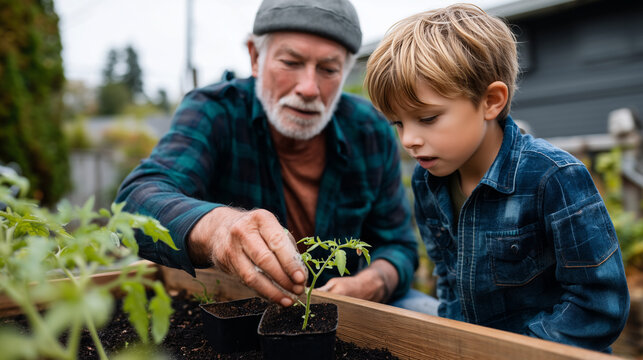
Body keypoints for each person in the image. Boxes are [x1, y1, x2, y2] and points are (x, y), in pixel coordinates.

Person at [116, 0, 423, 311]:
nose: (308, 88)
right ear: (255, 56)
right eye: (290, 62)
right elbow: (135, 201)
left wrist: (375, 282)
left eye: (328, 69)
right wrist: (218, 229)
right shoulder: (215, 112)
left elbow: (399, 243)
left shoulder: (370, 130)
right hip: (239, 306)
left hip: (349, 313)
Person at [364, 3, 629, 352]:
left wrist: (512, 351)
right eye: (398, 123)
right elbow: (449, 282)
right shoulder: (426, 182)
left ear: (491, 101)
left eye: (427, 119)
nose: (408, 140)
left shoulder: (554, 178)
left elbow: (599, 303)